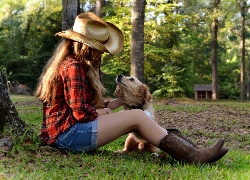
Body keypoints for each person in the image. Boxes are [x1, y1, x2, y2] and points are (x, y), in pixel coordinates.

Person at [35, 12, 228, 165]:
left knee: (138, 117)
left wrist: (118, 103)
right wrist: (105, 111)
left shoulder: (74, 65)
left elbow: (85, 105)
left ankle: (195, 150)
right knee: (137, 117)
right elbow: (81, 114)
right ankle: (194, 156)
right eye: (99, 48)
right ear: (87, 47)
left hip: (66, 134)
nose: (100, 54)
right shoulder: (73, 67)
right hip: (68, 136)